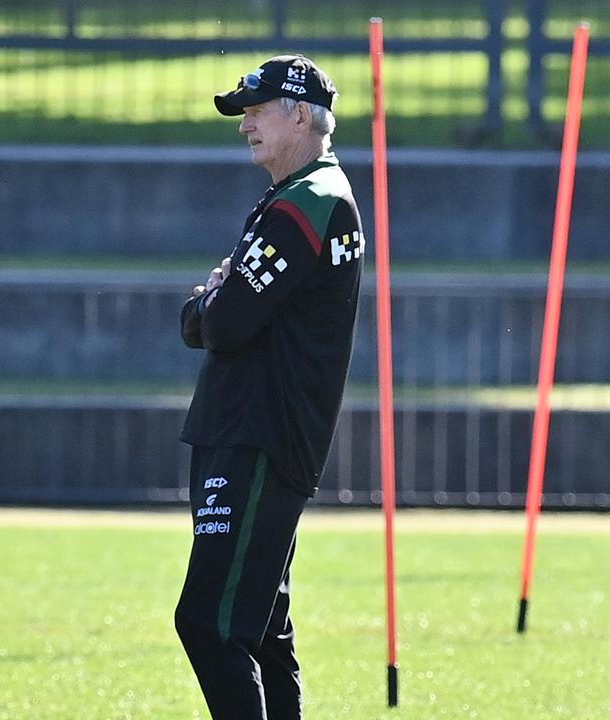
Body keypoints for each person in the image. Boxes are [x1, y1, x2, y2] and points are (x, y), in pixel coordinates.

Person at [174, 55, 365, 720]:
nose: (244, 124)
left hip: (255, 437)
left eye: (256, 110)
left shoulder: (309, 202)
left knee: (211, 623)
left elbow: (221, 322)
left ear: (301, 115)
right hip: (254, 433)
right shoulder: (300, 196)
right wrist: (214, 304)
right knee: (260, 632)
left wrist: (202, 302)